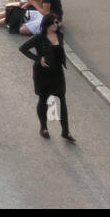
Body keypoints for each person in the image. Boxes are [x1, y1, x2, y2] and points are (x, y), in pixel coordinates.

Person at [20, 14, 75, 142]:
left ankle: (65, 132)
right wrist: (39, 59)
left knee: (61, 100)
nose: (57, 25)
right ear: (47, 25)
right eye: (54, 23)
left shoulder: (60, 35)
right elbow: (23, 48)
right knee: (43, 99)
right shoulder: (39, 38)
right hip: (42, 73)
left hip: (57, 72)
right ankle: (43, 128)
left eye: (57, 22)